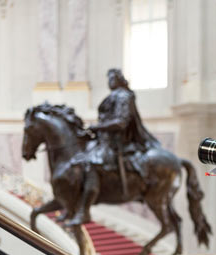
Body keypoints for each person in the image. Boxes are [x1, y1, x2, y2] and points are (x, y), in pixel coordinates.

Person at [68, 69, 160, 225]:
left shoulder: (124, 96)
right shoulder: (114, 96)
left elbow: (121, 122)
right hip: (104, 139)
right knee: (79, 156)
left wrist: (97, 127)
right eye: (108, 78)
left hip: (118, 142)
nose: (109, 81)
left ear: (120, 79)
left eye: (112, 78)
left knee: (91, 163)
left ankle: (84, 210)